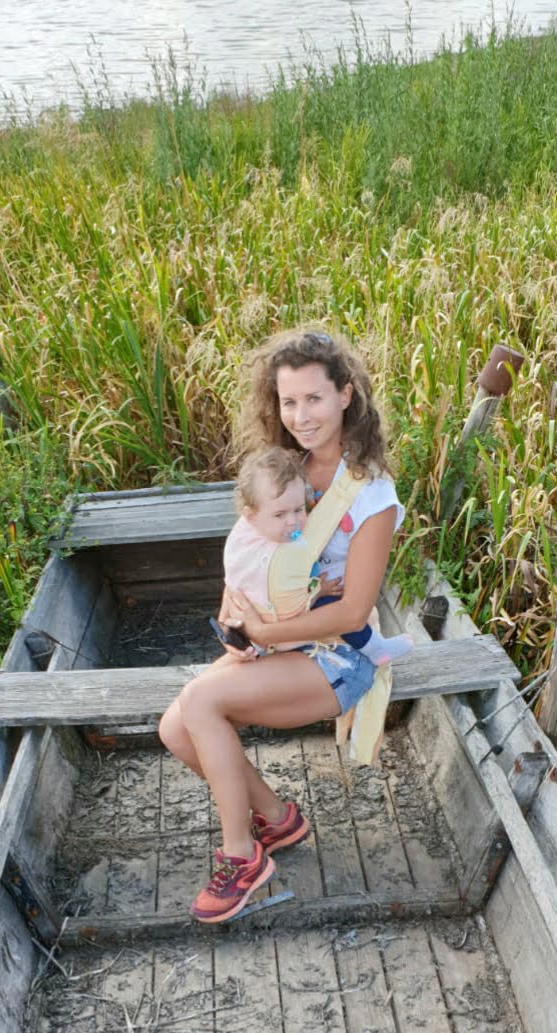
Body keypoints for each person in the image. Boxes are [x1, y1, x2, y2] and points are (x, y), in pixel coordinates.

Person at [158, 329, 405, 924]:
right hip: (274, 641)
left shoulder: (371, 496)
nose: (300, 416)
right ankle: (279, 819)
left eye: (314, 399)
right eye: (288, 402)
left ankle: (242, 856)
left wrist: (257, 635)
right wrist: (230, 606)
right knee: (175, 728)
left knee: (201, 701)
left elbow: (349, 612)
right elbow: (248, 544)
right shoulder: (282, 470)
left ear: (347, 395)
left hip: (336, 656)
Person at [221, 444, 413, 666]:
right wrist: (318, 591)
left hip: (259, 637)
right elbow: (284, 595)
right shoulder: (276, 550)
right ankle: (374, 648)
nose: (293, 521)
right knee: (330, 604)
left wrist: (229, 625)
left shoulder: (247, 537)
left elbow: (236, 589)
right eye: (280, 514)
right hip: (280, 633)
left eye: (299, 509)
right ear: (251, 516)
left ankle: (374, 648)